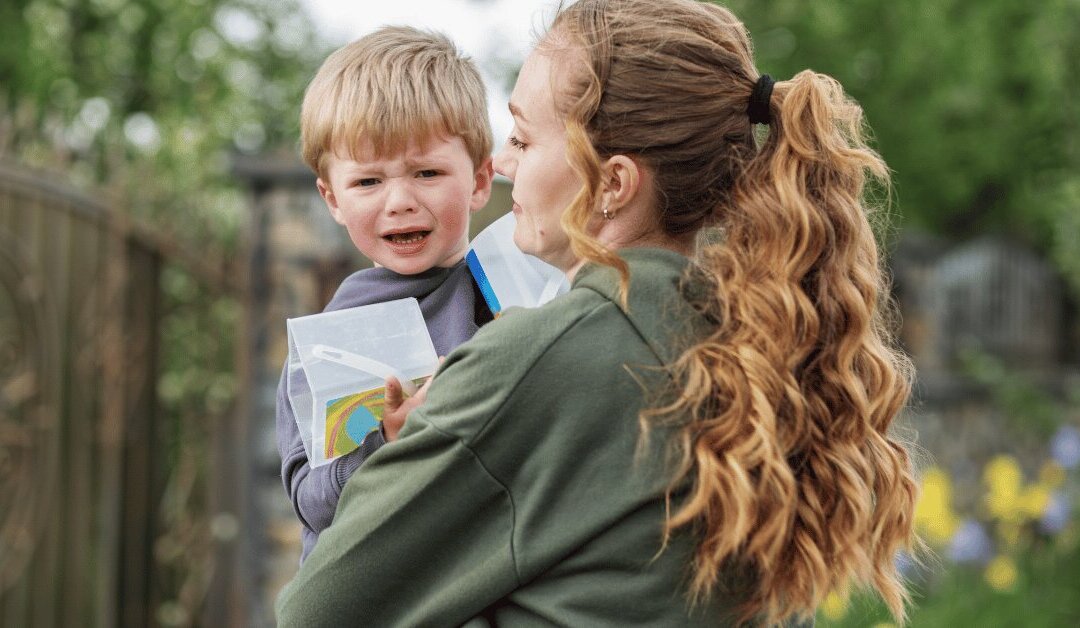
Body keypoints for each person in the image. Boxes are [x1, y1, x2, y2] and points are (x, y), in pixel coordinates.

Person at [276, 0, 918, 625]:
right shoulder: (758, 341)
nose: (500, 164)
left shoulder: (540, 359)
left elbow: (316, 611)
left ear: (611, 183)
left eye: (523, 139)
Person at [276, 25, 495, 563]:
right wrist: (386, 444)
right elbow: (311, 502)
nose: (399, 201)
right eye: (368, 182)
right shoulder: (328, 342)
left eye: (427, 172)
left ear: (480, 180)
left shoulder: (517, 293)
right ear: (332, 198)